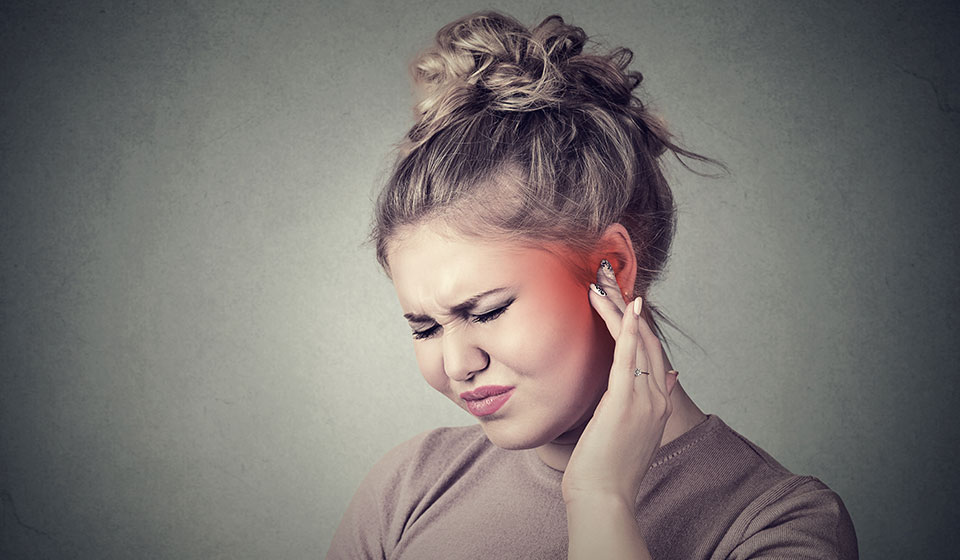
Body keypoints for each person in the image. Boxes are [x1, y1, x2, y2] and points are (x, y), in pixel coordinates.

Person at [327, 11, 857, 559]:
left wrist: (600, 499)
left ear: (612, 268)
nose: (457, 364)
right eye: (424, 328)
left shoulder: (776, 524)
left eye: (486, 311)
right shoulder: (409, 487)